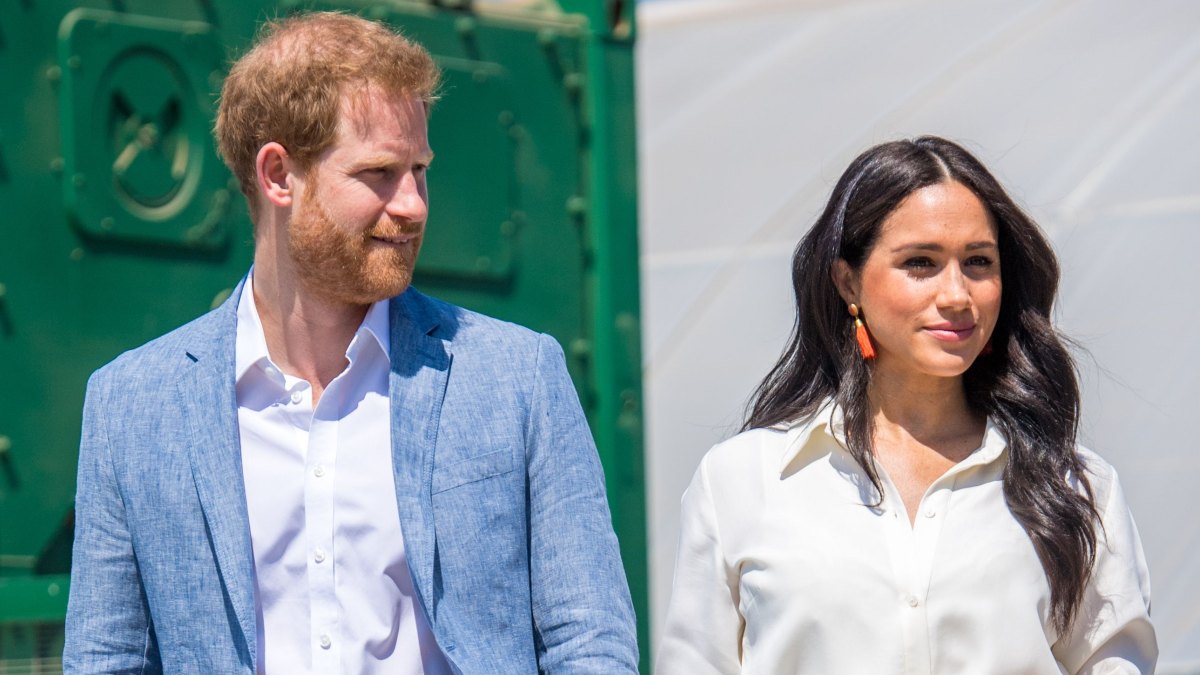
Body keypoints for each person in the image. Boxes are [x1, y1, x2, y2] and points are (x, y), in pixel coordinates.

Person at [63, 11, 637, 674]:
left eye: (419, 170)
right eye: (379, 173)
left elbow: (590, 643)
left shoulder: (517, 377)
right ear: (278, 175)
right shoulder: (132, 406)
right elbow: (104, 660)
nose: (415, 204)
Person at [656, 136, 1156, 673]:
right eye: (921, 262)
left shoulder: (1074, 485)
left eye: (979, 262)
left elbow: (1115, 659)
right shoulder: (742, 480)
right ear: (847, 281)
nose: (957, 295)